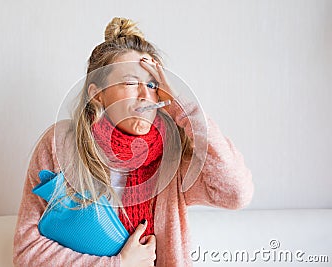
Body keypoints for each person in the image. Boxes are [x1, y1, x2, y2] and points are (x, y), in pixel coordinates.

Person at [13, 17, 254, 267]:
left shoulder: (174, 156)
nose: (145, 95)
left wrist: (183, 106)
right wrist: (118, 264)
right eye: (130, 82)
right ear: (97, 94)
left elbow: (236, 192)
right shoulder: (61, 145)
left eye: (152, 85)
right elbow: (26, 252)